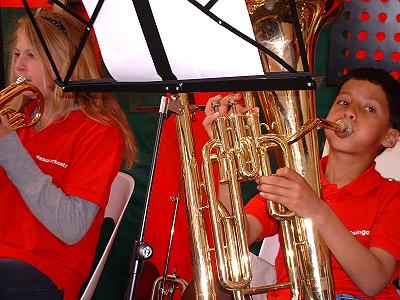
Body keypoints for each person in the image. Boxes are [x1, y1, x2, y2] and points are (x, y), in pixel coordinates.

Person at [203, 68, 400, 299]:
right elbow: (235, 238)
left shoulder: (392, 195)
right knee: (211, 282)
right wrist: (227, 155)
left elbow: (373, 281)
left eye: (369, 108)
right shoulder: (294, 180)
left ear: (390, 137)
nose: (350, 113)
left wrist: (316, 209)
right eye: (343, 102)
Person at [0, 9, 138, 300]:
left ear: (63, 63)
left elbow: (72, 226)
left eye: (31, 56)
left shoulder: (99, 132)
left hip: (46, 270)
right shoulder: (16, 121)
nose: (19, 66)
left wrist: (9, 149)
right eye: (16, 55)